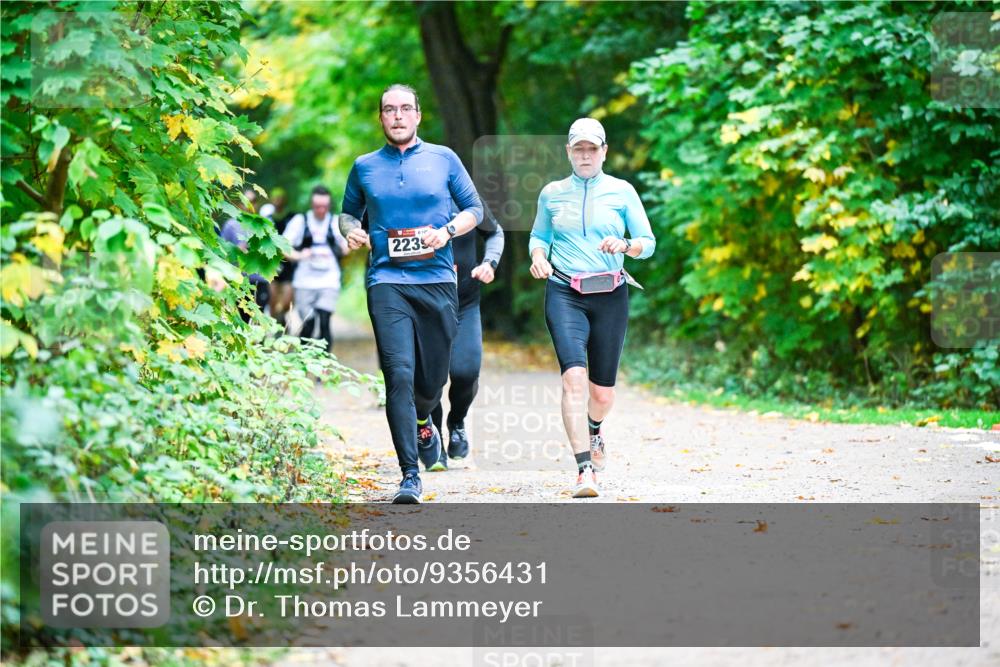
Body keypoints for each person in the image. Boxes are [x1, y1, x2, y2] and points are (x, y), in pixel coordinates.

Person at [339, 83, 484, 504]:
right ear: (381, 118)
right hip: (387, 282)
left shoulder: (444, 159)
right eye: (389, 109)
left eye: (405, 109)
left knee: (432, 380)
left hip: (438, 281)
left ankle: (426, 416)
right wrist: (352, 232)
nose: (398, 116)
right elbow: (348, 214)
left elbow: (475, 209)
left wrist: (446, 232)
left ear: (418, 116)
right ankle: (408, 476)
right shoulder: (365, 166)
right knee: (398, 374)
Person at [528, 117, 656, 498]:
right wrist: (538, 256)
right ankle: (585, 470)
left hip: (610, 295)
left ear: (604, 152)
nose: (585, 155)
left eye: (592, 148)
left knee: (601, 395)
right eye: (578, 149)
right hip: (564, 291)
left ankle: (595, 430)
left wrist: (625, 245)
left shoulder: (622, 191)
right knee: (573, 379)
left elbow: (648, 241)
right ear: (568, 152)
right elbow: (539, 235)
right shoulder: (551, 193)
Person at [429, 201, 504, 465]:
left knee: (466, 371)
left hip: (465, 301)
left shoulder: (465, 198)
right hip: (423, 304)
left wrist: (489, 262)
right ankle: (433, 436)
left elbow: (495, 232)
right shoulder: (410, 193)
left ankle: (457, 421)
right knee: (429, 378)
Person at [282, 185, 350, 353]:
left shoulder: (335, 222)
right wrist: (299, 255)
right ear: (312, 204)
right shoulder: (300, 221)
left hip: (329, 279)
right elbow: (283, 246)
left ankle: (325, 365)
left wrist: (344, 248)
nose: (321, 210)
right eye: (317, 206)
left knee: (325, 320)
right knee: (309, 323)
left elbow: (348, 245)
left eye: (325, 206)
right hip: (304, 280)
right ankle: (305, 361)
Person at [219, 187, 269, 320]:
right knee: (243, 319)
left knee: (259, 320)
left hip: (260, 280)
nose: (249, 205)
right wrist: (236, 250)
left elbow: (272, 254)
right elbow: (221, 252)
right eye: (246, 202)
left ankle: (260, 341)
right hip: (240, 280)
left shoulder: (264, 225)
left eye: (253, 201)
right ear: (240, 204)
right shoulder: (231, 225)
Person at [261, 190, 295, 328]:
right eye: (275, 198)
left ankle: (283, 317)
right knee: (273, 299)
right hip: (272, 262)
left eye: (280, 198)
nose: (278, 201)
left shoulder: (292, 217)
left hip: (288, 263)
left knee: (287, 301)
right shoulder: (267, 219)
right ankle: (276, 327)